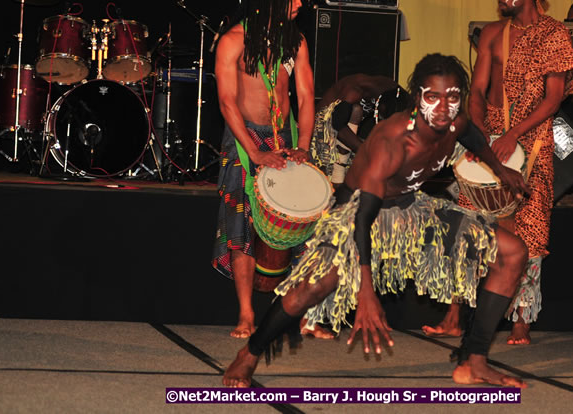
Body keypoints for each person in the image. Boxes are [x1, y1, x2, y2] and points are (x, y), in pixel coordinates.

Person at [223, 53, 531, 388]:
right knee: (307, 292)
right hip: (355, 215)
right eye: (433, 97)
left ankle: (474, 361)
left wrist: (501, 170)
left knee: (513, 252)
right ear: (417, 98)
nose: (443, 107)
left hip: (411, 208)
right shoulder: (392, 141)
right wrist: (365, 294)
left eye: (452, 97)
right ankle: (249, 354)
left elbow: (473, 138)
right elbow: (363, 218)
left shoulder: (455, 122)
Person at [423, 0, 573, 345]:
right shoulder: (493, 33)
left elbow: (554, 98)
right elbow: (476, 91)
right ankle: (454, 315)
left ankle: (522, 319)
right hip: (490, 137)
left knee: (529, 229)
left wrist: (512, 136)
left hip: (534, 141)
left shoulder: (554, 34)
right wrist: (480, 137)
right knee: (468, 224)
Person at [212, 0, 326, 339]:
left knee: (307, 222)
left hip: (285, 139)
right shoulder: (233, 40)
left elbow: (307, 96)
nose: (299, 3)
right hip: (245, 141)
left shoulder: (294, 40)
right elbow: (228, 103)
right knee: (241, 227)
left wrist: (304, 147)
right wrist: (254, 153)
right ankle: (246, 314)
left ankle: (306, 316)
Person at [311, 74, 408, 184]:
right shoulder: (355, 90)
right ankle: (338, 172)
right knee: (356, 110)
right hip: (321, 129)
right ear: (382, 104)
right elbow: (337, 123)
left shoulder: (395, 94)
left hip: (347, 130)